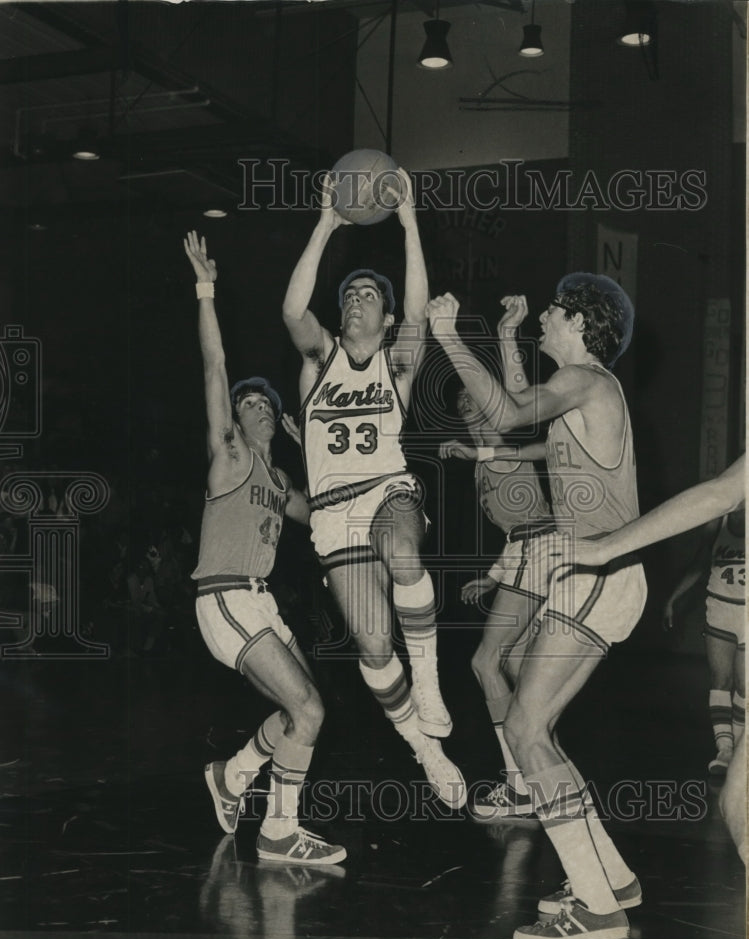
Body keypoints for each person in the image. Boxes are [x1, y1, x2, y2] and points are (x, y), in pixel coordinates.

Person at [428, 274, 645, 939]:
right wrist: (496, 340)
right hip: (595, 576)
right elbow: (515, 412)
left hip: (595, 572)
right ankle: (609, 878)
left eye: (553, 311)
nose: (544, 318)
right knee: (536, 727)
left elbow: (513, 412)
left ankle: (597, 908)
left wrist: (447, 337)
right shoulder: (580, 393)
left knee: (524, 727)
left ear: (580, 324)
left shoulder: (588, 380)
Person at [281, 168, 465, 810]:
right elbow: (291, 310)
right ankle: (426, 749)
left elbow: (419, 309)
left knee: (405, 553)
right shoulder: (318, 361)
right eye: (350, 293)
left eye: (368, 295)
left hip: (387, 489)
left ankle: (433, 683)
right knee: (374, 645)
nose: (355, 298)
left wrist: (411, 221)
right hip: (332, 516)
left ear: (385, 320)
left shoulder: (396, 361)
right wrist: (327, 224)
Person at [185, 230, 346, 866]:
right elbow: (214, 366)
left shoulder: (278, 483)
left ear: (272, 420)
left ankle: (232, 775)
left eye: (259, 403)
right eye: (243, 402)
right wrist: (206, 289)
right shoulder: (229, 460)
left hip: (261, 603)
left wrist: (312, 440)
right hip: (223, 599)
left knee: (302, 709)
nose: (248, 406)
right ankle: (279, 832)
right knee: (306, 708)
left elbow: (325, 508)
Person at [546, 453, 746, 865]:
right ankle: (724, 751)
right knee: (735, 798)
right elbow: (718, 496)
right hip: (723, 602)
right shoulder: (727, 503)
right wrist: (606, 549)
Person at [438, 296, 555, 820]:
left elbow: (543, 449)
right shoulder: (480, 464)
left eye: (475, 401)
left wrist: (508, 334)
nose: (469, 407)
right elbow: (515, 530)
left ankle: (518, 785)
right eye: (461, 405)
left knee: (484, 661)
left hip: (545, 546)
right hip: (531, 551)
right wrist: (490, 578)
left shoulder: (503, 438)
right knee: (512, 667)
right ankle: (539, 774)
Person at [662, 509, 745, 776]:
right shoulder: (719, 517)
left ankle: (742, 755)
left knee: (745, 686)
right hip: (720, 608)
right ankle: (724, 751)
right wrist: (675, 597)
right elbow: (700, 560)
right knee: (720, 681)